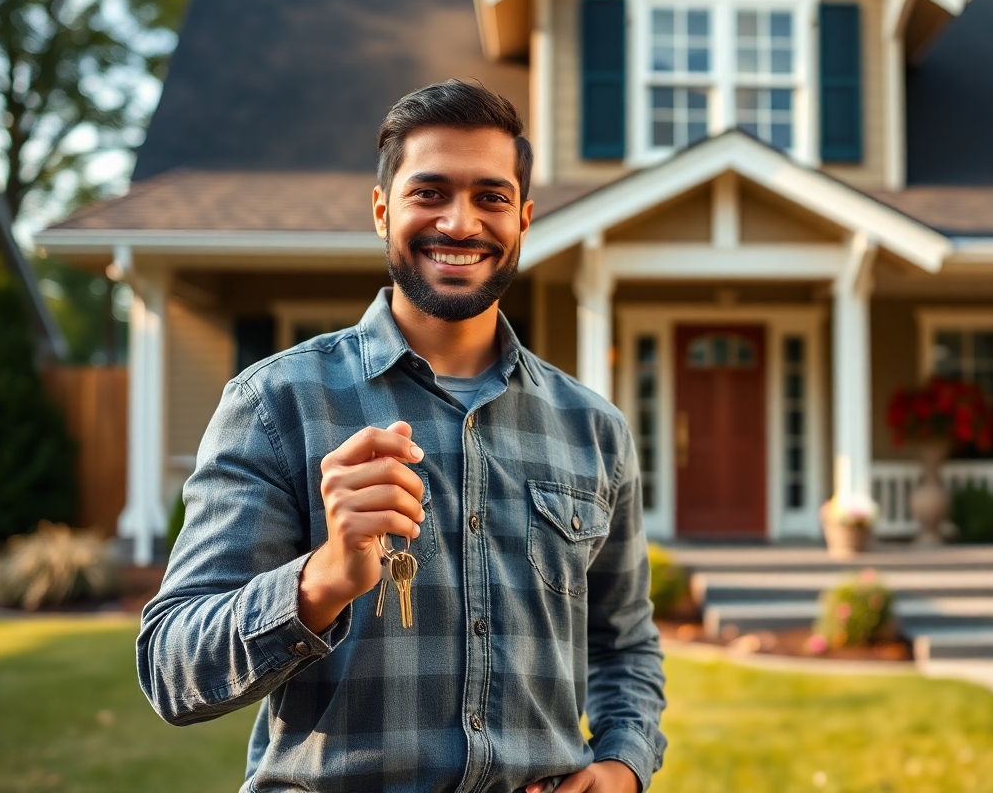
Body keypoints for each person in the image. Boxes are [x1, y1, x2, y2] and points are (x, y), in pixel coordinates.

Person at [137, 81, 666, 793]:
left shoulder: (594, 430)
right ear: (383, 210)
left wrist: (622, 764)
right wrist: (321, 579)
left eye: (491, 197)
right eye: (430, 192)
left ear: (525, 218)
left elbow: (624, 644)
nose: (460, 222)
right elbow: (172, 669)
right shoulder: (276, 403)